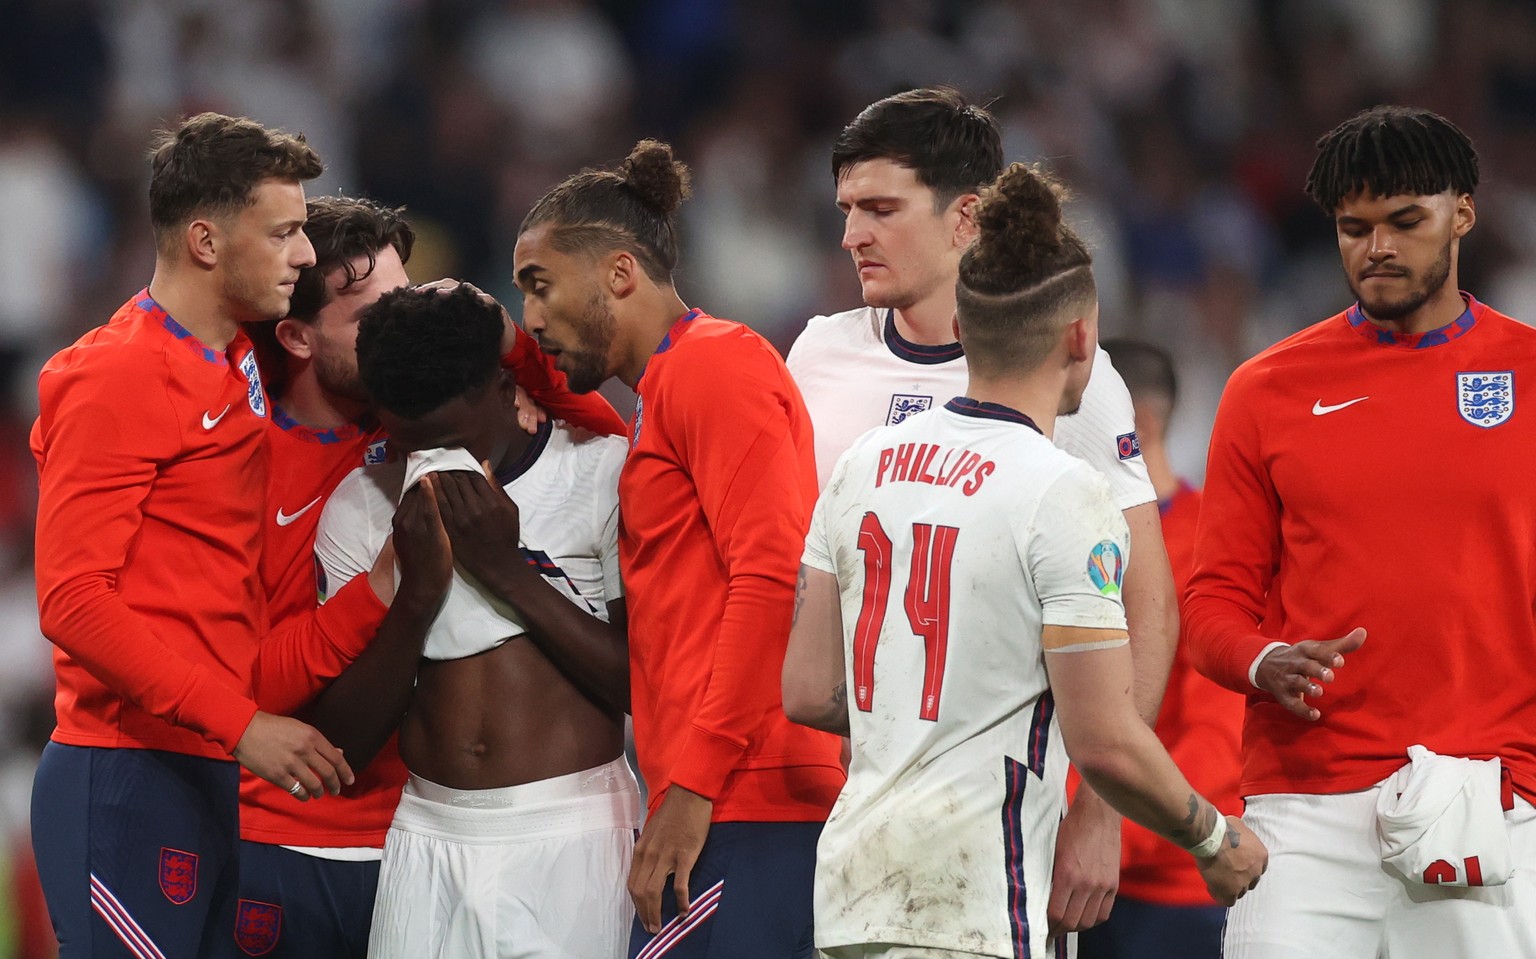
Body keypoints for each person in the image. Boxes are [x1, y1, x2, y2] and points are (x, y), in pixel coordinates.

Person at [783, 160, 1266, 959]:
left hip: (853, 890)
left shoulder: (862, 464)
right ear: (1082, 336)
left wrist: (918, 707)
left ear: (967, 327)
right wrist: (1213, 837)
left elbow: (805, 690)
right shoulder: (1064, 493)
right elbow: (1104, 736)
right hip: (982, 897)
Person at [28, 114, 397, 959]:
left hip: (203, 770)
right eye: (285, 232)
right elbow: (73, 601)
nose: (305, 256)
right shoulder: (116, 372)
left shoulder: (236, 360)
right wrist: (243, 725)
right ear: (204, 239)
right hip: (123, 772)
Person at [236, 196, 629, 959]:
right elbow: (343, 745)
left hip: (573, 832)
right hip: (423, 836)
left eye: (444, 437)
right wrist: (412, 596)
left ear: (501, 386)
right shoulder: (364, 499)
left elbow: (642, 685)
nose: (428, 460)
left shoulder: (600, 473)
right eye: (405, 437)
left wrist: (504, 572)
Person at [1185, 105, 1536, 957]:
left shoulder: (1529, 373)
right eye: (1354, 227)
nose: (1375, 247)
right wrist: (1262, 659)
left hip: (1489, 795)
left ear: (1462, 212)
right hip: (1304, 805)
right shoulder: (1265, 390)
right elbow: (1211, 602)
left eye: (1403, 221)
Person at [514, 139, 845, 958]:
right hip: (730, 799)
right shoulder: (663, 390)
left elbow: (772, 580)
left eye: (540, 286)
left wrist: (692, 789)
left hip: (748, 802)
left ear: (620, 274)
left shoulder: (714, 367)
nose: (531, 319)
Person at [1076, 340, 1244, 959]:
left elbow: (1218, 744)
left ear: (1133, 424)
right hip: (1067, 874)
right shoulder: (1063, 535)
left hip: (1172, 893)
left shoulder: (1211, 550)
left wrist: (1098, 835)